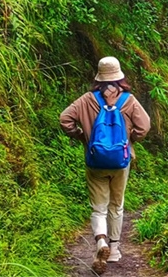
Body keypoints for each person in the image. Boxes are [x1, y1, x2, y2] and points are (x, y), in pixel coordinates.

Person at [60, 56, 150, 274]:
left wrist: (82, 137)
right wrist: (130, 141)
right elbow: (144, 126)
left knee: (98, 208)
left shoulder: (87, 99)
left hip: (95, 162)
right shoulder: (128, 100)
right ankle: (116, 249)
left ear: (99, 78)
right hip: (120, 162)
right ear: (120, 77)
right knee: (116, 205)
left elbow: (64, 119)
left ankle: (101, 241)